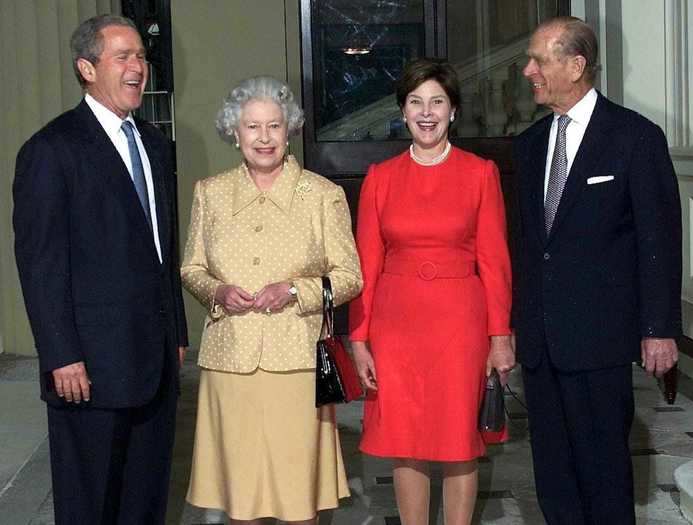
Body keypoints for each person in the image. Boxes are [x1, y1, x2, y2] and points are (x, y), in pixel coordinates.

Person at [12, 14, 188, 524]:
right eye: (124, 57)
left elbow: (162, 251)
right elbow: (41, 264)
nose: (140, 67)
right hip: (86, 370)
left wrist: (175, 333)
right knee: (90, 504)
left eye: (142, 56)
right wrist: (61, 354)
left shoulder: (155, 145)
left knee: (145, 499)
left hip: (153, 362)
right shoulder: (51, 151)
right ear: (87, 68)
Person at [513, 16, 682, 524]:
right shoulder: (529, 144)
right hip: (541, 344)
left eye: (539, 60)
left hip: (601, 341)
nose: (528, 71)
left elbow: (659, 241)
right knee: (553, 473)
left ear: (576, 65)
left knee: (604, 471)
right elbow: (526, 247)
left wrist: (659, 330)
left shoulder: (635, 138)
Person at [180, 76, 362, 525]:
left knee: (298, 494)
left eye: (274, 126)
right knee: (240, 493)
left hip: (297, 363)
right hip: (230, 363)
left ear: (289, 130)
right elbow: (191, 269)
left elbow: (349, 277)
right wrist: (217, 291)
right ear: (234, 132)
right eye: (252, 127)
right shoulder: (211, 193)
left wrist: (295, 290)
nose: (264, 138)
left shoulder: (322, 195)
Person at [348, 58, 515, 525]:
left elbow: (496, 263)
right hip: (395, 327)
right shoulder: (380, 177)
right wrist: (359, 340)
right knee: (407, 442)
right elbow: (366, 265)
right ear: (402, 112)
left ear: (453, 111)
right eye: (416, 102)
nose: (426, 113)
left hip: (461, 325)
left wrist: (499, 337)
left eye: (436, 102)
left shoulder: (480, 173)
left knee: (460, 438)